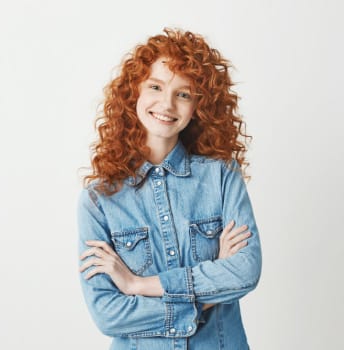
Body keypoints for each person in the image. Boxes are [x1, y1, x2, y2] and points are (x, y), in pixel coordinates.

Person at [77, 28, 262, 350]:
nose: (167, 104)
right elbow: (108, 315)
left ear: (198, 106)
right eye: (156, 86)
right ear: (133, 92)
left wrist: (139, 285)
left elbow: (245, 272)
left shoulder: (221, 176)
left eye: (184, 94)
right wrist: (206, 294)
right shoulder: (99, 199)